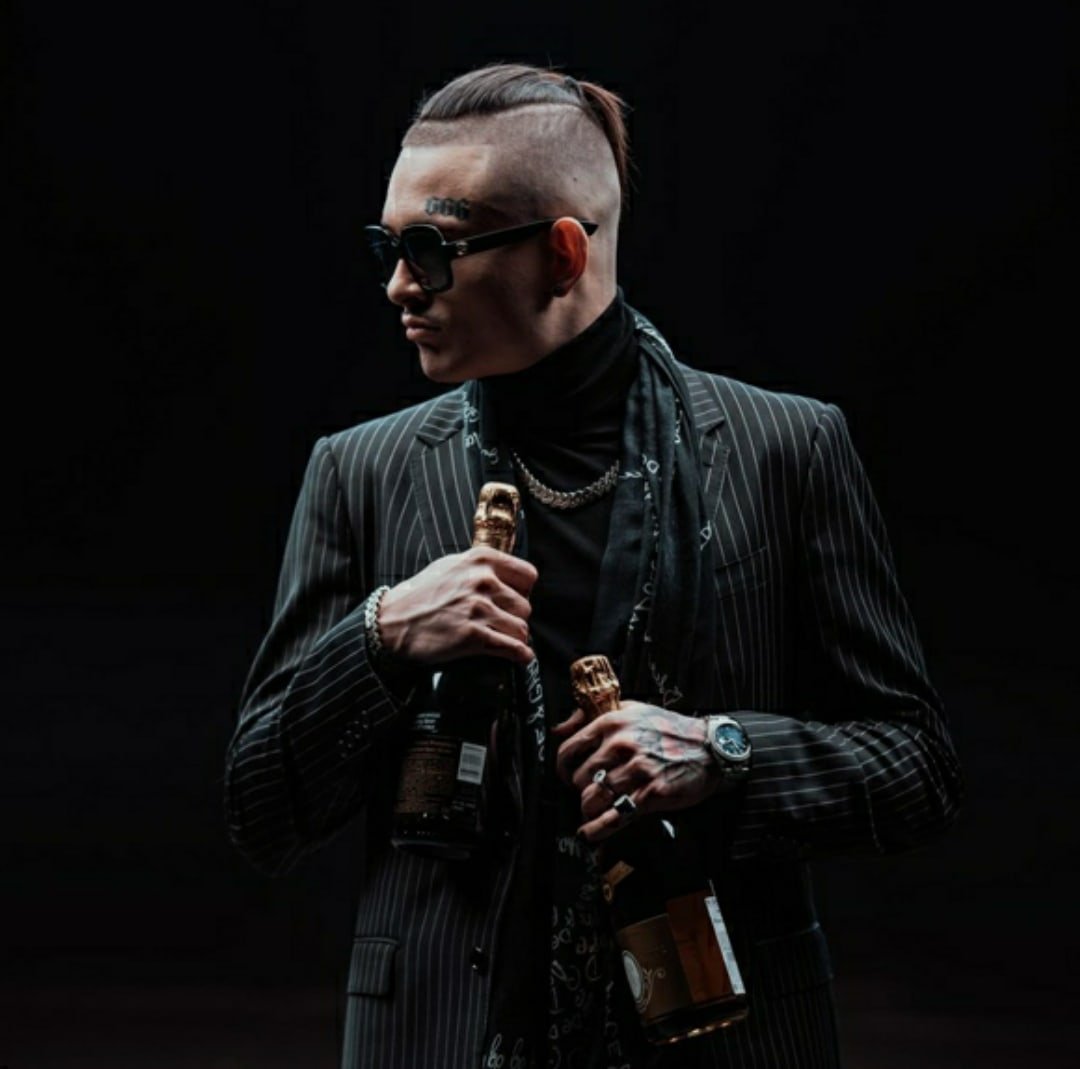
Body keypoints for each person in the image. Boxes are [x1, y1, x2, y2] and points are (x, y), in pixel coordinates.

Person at [223, 62, 963, 1069]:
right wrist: (380, 638)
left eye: (430, 249)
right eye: (387, 248)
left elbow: (919, 769)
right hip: (443, 1038)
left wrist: (722, 753)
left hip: (726, 1038)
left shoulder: (786, 449)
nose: (397, 284)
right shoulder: (361, 472)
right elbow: (261, 811)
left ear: (562, 254)